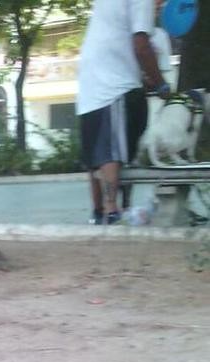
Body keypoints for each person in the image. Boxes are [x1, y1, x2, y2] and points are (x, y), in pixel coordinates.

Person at [77, 0, 171, 224]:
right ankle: (112, 210)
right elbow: (141, 45)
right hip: (115, 82)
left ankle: (98, 212)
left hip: (88, 80)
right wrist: (162, 85)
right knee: (112, 149)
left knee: (94, 151)